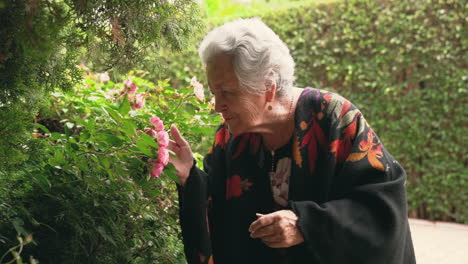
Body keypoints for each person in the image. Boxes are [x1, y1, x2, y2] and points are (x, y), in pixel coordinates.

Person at [167, 18, 415, 264]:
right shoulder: (232, 135)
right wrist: (189, 176)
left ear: (268, 86)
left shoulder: (333, 118)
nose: (217, 106)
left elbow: (382, 210)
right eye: (213, 92)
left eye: (227, 93)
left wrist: (307, 224)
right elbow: (217, 209)